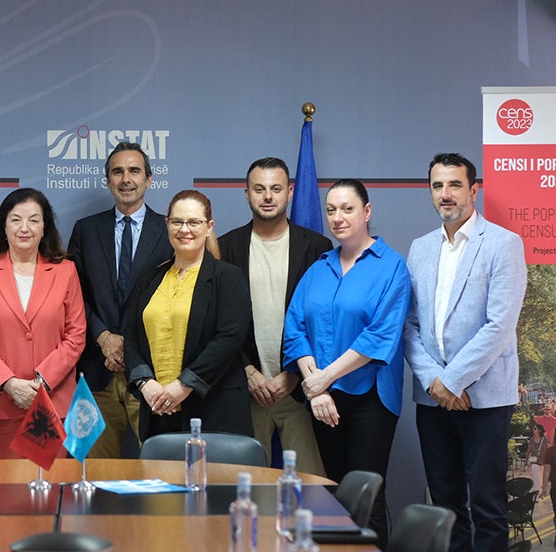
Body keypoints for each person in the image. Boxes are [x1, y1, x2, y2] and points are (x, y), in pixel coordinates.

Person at [403, 152, 527, 552]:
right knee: (446, 505)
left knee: (489, 506)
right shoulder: (420, 248)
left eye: (455, 184)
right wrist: (435, 383)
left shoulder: (504, 244)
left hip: (485, 398)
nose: (446, 194)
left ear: (474, 189)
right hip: (432, 398)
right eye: (438, 186)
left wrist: (453, 381)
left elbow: (499, 325)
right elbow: (409, 326)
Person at [283, 179, 410, 548]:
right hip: (323, 402)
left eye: (347, 209)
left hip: (370, 400)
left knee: (367, 499)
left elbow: (378, 337)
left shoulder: (392, 266)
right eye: (331, 210)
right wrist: (316, 386)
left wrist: (320, 380)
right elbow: (295, 329)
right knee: (336, 497)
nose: (338, 217)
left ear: (366, 212)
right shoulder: (319, 267)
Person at [218, 157, 330, 475]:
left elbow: (322, 322)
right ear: (246, 193)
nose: (268, 196)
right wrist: (248, 372)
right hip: (247, 388)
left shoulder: (317, 247)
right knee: (246, 488)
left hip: (299, 388)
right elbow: (220, 323)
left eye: (276, 188)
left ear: (290, 191)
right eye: (259, 189)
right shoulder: (225, 247)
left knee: (313, 487)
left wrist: (294, 373)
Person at [68, 142, 173, 458]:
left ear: (149, 179)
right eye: (117, 172)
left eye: (134, 171)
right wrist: (103, 337)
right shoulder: (86, 230)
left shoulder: (170, 230)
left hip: (152, 374)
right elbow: (73, 296)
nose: (126, 179)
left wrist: (129, 347)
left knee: (160, 471)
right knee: (92, 473)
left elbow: (175, 302)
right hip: (96, 372)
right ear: (108, 180)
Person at [0, 188, 85, 459]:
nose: (25, 228)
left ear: (45, 227)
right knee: (0, 496)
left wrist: (42, 381)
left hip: (51, 404)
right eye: (16, 219)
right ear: (3, 226)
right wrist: (8, 382)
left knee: (49, 495)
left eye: (34, 219)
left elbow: (76, 335)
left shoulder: (66, 271)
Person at [124, 189, 253, 441]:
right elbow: (131, 337)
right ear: (167, 224)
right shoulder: (150, 278)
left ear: (209, 227)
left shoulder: (228, 277)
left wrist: (184, 385)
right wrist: (144, 383)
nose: (185, 229)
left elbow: (229, 339)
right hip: (158, 410)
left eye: (194, 222)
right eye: (177, 222)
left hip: (214, 413)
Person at [529, 423, 548, 492]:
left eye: (535, 428)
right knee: (536, 477)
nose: (533, 430)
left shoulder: (545, 439)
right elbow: (529, 451)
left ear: (539, 430)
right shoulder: (531, 439)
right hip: (534, 461)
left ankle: (540, 492)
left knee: (541, 478)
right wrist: (526, 461)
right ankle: (537, 492)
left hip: (543, 461)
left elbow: (548, 448)